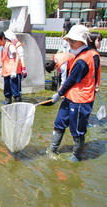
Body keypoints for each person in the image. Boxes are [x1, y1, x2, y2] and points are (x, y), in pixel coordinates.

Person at [48, 25, 101, 162]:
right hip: (71, 97)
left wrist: (58, 94)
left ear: (83, 41)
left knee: (77, 130)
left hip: (80, 100)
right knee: (59, 122)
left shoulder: (84, 60)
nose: (70, 43)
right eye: (69, 40)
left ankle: (76, 156)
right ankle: (52, 149)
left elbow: (71, 80)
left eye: (73, 40)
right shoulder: (89, 54)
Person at [0, 30, 23, 104]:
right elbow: (6, 61)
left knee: (16, 92)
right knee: (7, 91)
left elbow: (17, 57)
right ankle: (8, 102)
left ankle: (18, 106)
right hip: (7, 73)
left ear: (3, 38)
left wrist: (15, 71)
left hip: (13, 73)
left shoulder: (10, 46)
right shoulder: (3, 47)